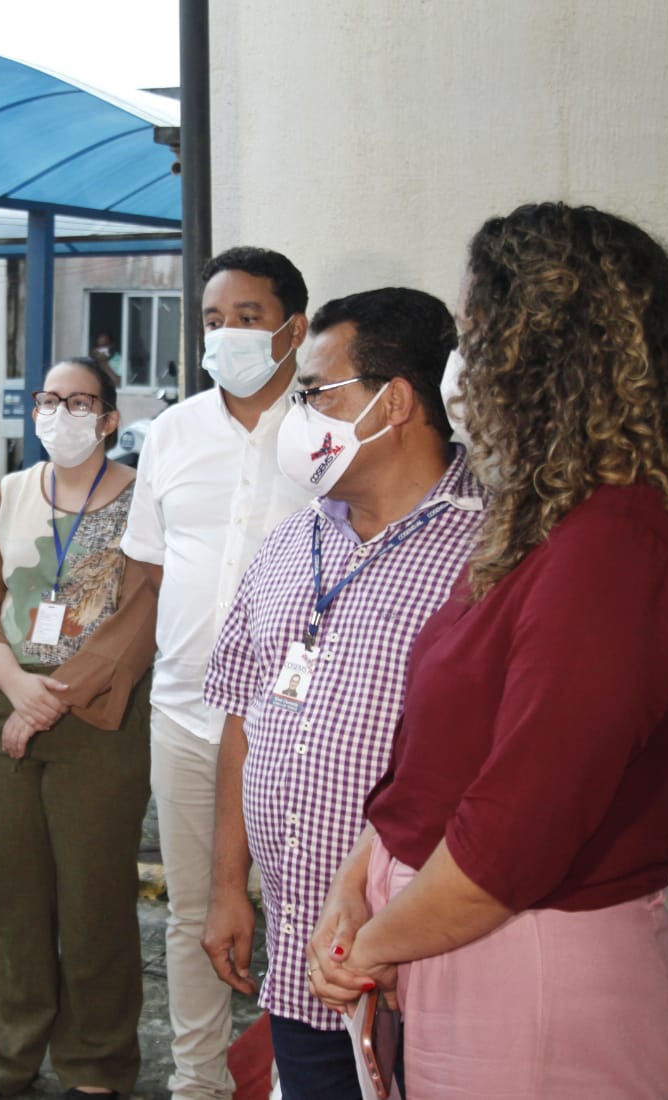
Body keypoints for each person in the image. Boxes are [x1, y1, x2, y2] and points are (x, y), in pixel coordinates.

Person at [308, 203, 668, 1098]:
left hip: (536, 984)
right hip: (456, 947)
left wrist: (368, 947)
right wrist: (359, 882)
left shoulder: (615, 549)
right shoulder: (540, 528)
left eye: (476, 333)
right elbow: (437, 760)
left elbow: (515, 837)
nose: (458, 369)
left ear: (545, 356)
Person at [200, 288, 485, 1099]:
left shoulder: (494, 551)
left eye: (314, 394)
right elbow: (243, 721)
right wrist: (228, 887)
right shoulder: (293, 540)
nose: (297, 418)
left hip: (421, 961)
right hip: (300, 957)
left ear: (392, 403)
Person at [121, 245, 313, 1100]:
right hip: (186, 714)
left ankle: (295, 1082)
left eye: (248, 318)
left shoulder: (328, 434)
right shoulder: (172, 431)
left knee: (304, 914)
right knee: (194, 912)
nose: (226, 335)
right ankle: (194, 1082)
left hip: (296, 723)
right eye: (212, 320)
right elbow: (148, 571)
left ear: (293, 329)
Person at [0, 356, 158, 1100]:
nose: (61, 414)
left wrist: (52, 698)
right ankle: (9, 1051)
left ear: (108, 419)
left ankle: (97, 1064)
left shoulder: (143, 500)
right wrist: (18, 692)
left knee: (94, 899)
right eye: (49, 399)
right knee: (15, 896)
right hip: (7, 703)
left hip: (100, 714)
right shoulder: (8, 493)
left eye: (80, 402)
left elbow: (137, 620)